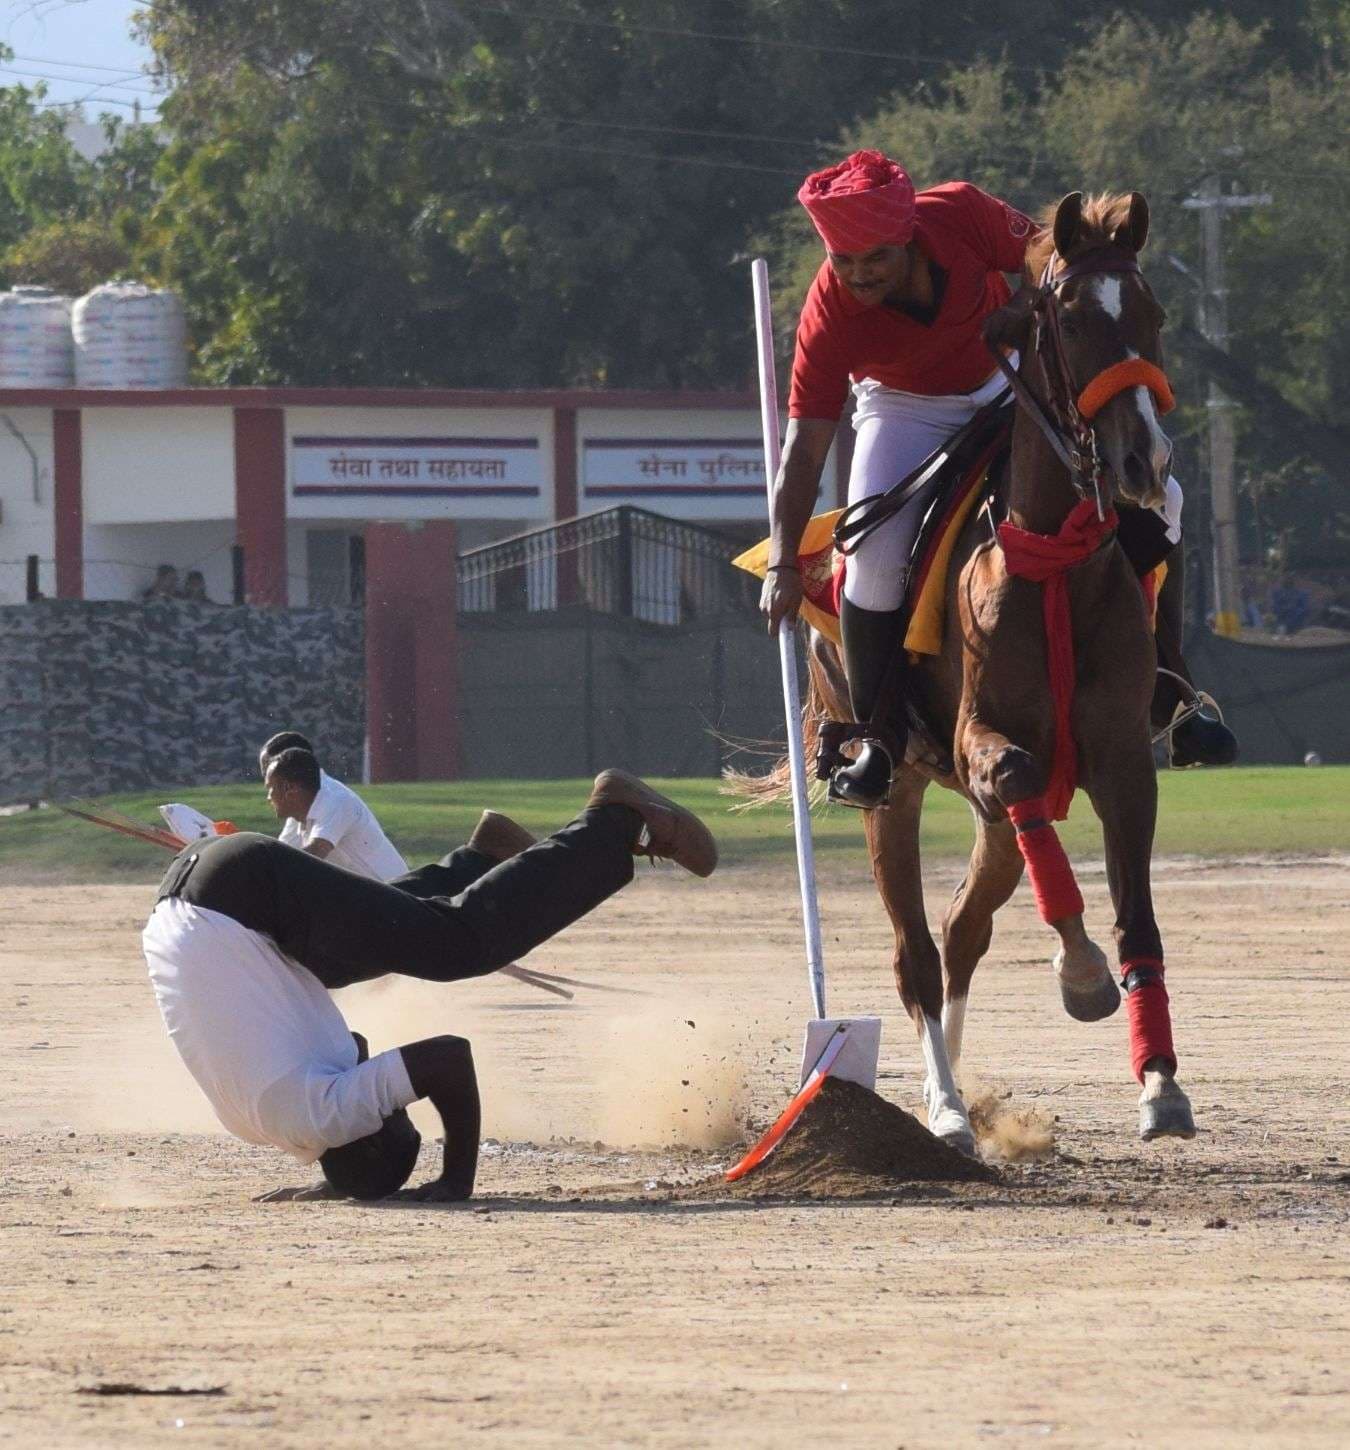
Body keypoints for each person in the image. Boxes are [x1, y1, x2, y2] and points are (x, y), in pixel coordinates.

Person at [762, 150, 1233, 803]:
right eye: (845, 262)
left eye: (877, 260)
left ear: (910, 237)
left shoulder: (959, 210)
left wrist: (1038, 310)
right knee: (872, 554)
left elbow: (1053, 263)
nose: (860, 277)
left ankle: (1173, 691)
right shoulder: (828, 311)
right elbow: (804, 447)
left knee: (1166, 499)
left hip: (1009, 384)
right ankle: (876, 738)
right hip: (903, 410)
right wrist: (784, 564)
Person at [141, 770, 718, 1202]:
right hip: (196, 900)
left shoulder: (328, 1115)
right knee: (383, 947)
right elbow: (350, 1054)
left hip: (240, 898)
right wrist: (342, 1183)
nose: (395, 1105)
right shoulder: (267, 1124)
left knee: (459, 947)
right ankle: (482, 856)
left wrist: (455, 1180)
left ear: (363, 1133)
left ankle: (614, 819)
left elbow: (447, 1059)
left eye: (393, 1117)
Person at [259, 732, 407, 881]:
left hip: (395, 896)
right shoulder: (304, 804)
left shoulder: (334, 799)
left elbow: (312, 855)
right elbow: (282, 856)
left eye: (269, 770)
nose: (266, 779)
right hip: (368, 897)